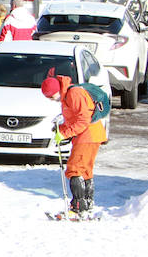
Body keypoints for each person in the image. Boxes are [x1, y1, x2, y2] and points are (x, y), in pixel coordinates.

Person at [41, 69, 107, 215]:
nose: (52, 100)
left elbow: (83, 120)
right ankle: (87, 203)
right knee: (84, 170)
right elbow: (74, 119)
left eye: (52, 97)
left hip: (88, 136)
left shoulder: (74, 94)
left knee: (74, 168)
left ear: (57, 90)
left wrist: (64, 133)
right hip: (89, 135)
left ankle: (78, 207)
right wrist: (61, 129)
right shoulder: (66, 95)